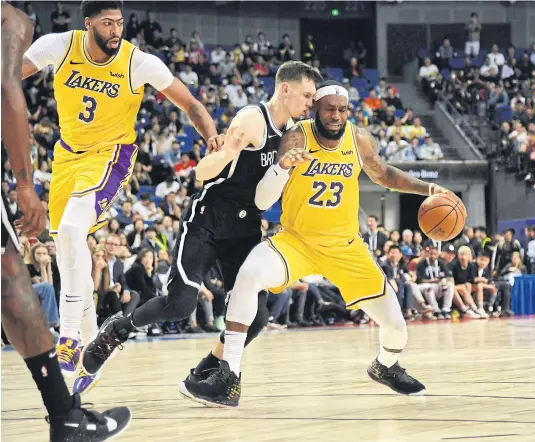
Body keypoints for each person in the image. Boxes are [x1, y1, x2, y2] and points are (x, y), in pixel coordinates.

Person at [180, 80, 460, 407]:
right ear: (316, 109)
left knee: (397, 327)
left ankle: (386, 366)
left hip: (345, 247)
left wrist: (430, 190)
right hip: (297, 242)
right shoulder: (296, 136)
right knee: (249, 274)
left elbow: (384, 174)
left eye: (342, 110)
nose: (336, 115)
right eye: (330, 109)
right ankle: (229, 377)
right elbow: (261, 197)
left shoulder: (359, 139)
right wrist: (282, 168)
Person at [21, 0, 223, 389]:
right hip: (66, 157)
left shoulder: (138, 62)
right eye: (108, 23)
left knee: (74, 229)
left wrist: (211, 134)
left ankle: (69, 338)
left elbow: (191, 103)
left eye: (120, 22)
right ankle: (92, 335)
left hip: (111, 155)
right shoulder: (60, 46)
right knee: (66, 245)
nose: (117, 29)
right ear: (88, 23)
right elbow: (10, 75)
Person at [81, 61, 323, 381]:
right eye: (307, 95)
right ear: (286, 88)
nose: (310, 104)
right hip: (208, 219)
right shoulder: (253, 119)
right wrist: (225, 154)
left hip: (245, 226)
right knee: (180, 305)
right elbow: (202, 172)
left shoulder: (293, 135)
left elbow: (268, 194)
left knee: (258, 314)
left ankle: (207, 369)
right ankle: (116, 330)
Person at [1, 2, 131, 440]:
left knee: (34, 264)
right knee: (11, 279)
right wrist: (23, 182)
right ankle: (67, 407)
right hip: (65, 160)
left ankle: (71, 381)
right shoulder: (13, 17)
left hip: (92, 157)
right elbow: (7, 87)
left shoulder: (130, 61)